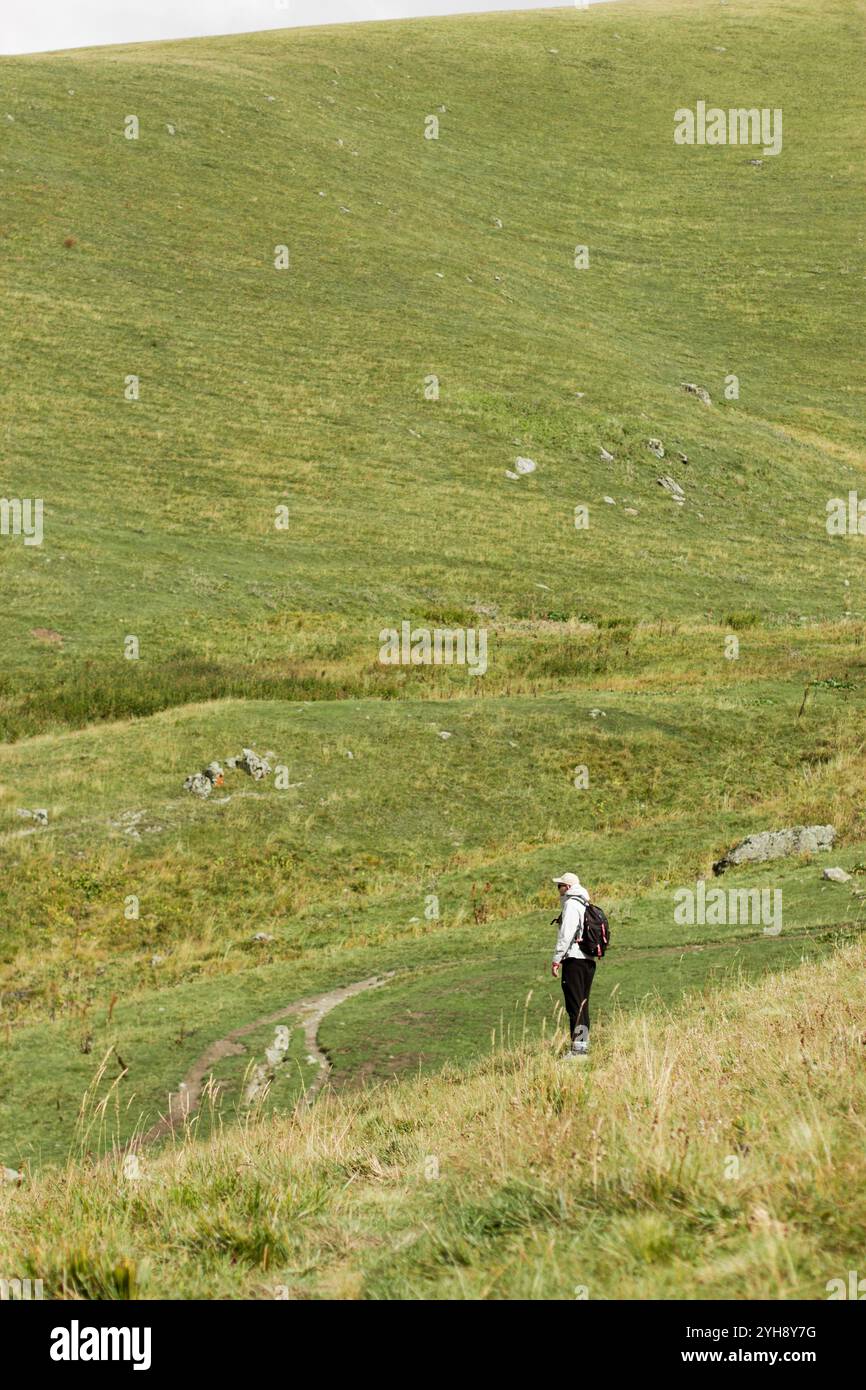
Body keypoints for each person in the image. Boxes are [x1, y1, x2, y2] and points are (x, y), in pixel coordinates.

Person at [550, 872, 595, 1057]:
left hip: (574, 960)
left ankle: (578, 1051)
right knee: (583, 1004)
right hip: (588, 961)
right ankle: (582, 1045)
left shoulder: (571, 904)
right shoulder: (585, 903)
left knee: (574, 1005)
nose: (558, 889)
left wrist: (556, 958)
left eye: (559, 886)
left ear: (567, 887)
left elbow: (566, 935)